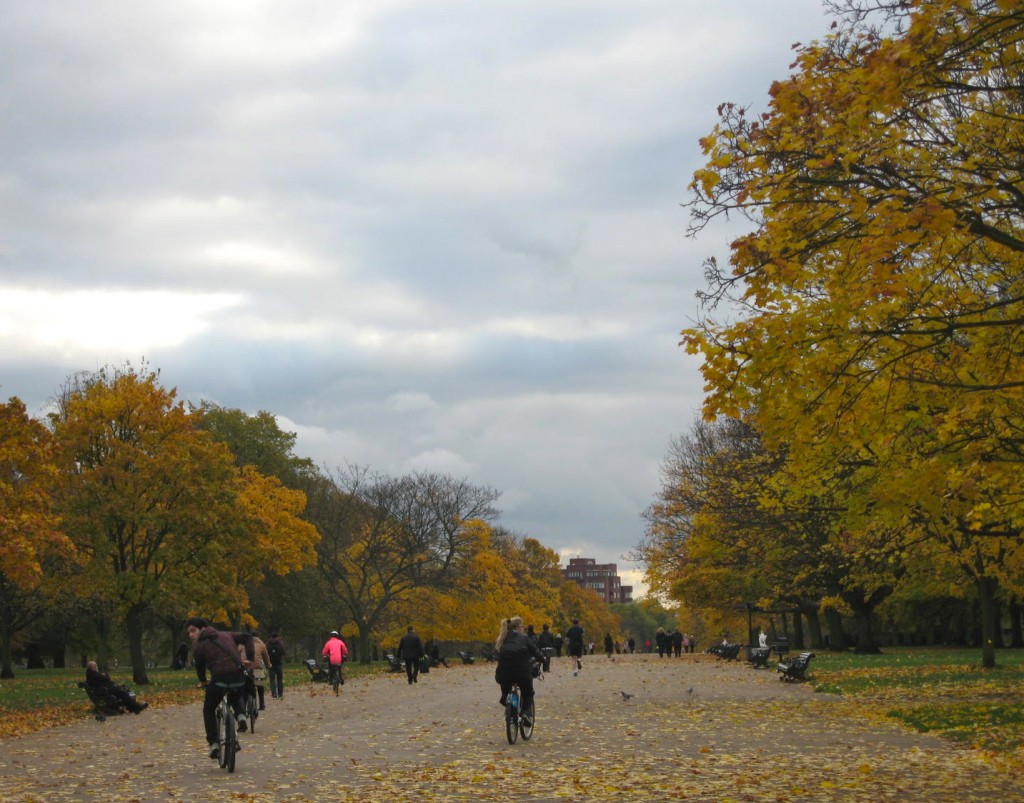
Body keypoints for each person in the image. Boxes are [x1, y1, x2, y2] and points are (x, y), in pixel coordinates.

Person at [187, 617, 254, 760]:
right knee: (235, 693)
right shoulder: (227, 635)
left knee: (209, 709)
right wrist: (250, 658)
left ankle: (214, 744)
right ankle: (241, 715)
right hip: (239, 677)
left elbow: (200, 668)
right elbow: (248, 637)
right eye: (189, 632)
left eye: (193, 631)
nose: (191, 635)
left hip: (219, 679)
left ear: (202, 628)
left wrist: (204, 681)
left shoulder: (200, 646)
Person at [494, 616, 543, 718]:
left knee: (506, 688)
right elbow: (536, 652)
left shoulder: (501, 639)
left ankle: (507, 703)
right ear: (517, 628)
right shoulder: (524, 638)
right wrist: (543, 660)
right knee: (528, 692)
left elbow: (496, 655)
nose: (523, 629)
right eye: (522, 626)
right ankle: (525, 713)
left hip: (503, 674)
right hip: (521, 673)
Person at [242, 632, 272, 710]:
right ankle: (262, 705)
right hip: (258, 669)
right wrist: (268, 665)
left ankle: (244, 705)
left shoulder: (242, 644)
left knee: (244, 687)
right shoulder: (261, 645)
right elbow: (266, 658)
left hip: (245, 669)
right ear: (257, 637)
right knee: (260, 686)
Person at [266, 631, 286, 699]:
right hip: (279, 663)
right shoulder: (280, 643)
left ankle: (274, 694)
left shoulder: (268, 643)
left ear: (271, 637)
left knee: (272, 679)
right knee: (279, 679)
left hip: (271, 664)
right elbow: (283, 652)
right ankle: (280, 693)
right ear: (277, 636)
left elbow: (266, 653)